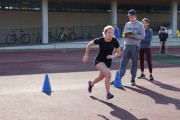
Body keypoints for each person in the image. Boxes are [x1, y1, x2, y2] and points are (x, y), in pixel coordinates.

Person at [82, 25, 121, 100]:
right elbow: (89, 45)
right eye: (109, 32)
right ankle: (108, 93)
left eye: (112, 32)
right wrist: (86, 55)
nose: (110, 34)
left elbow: (119, 53)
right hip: (99, 61)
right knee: (108, 74)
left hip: (108, 62)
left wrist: (112, 56)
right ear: (105, 33)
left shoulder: (114, 41)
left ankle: (91, 84)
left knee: (101, 77)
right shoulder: (100, 40)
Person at [111, 9, 145, 86]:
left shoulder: (140, 25)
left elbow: (143, 36)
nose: (131, 18)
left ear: (135, 16)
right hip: (126, 45)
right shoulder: (127, 24)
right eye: (130, 17)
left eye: (132, 17)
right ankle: (118, 78)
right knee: (123, 63)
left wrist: (133, 36)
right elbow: (123, 34)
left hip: (135, 46)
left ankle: (133, 78)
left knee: (134, 63)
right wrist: (125, 35)